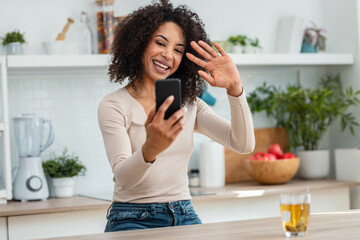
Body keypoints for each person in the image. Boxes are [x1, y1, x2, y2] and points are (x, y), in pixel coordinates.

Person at [98, 0, 255, 232]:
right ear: (139, 43)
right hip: (132, 217)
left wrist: (235, 89)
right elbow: (123, 178)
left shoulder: (190, 105)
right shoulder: (114, 105)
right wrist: (150, 149)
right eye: (160, 43)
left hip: (184, 214)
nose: (168, 55)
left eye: (178, 50)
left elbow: (242, 144)